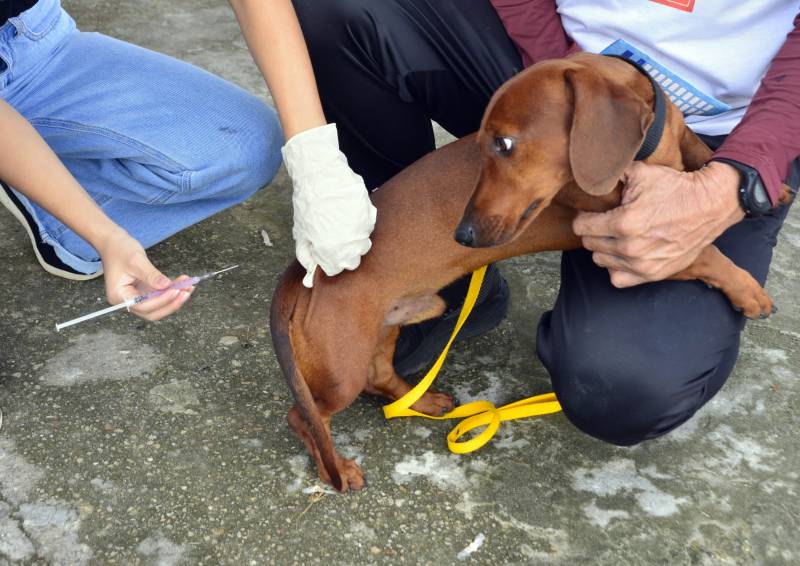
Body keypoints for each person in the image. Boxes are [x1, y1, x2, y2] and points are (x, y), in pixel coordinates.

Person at [289, 0, 799, 445]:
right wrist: (554, 79)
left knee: (624, 390)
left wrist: (741, 175)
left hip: (736, 123)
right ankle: (411, 261)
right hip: (549, 68)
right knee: (337, 6)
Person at [0, 0, 376, 319]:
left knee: (246, 149)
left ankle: (51, 209)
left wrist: (315, 160)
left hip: (35, 40)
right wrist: (107, 235)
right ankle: (27, 167)